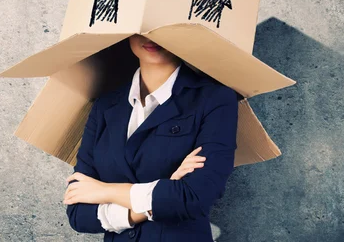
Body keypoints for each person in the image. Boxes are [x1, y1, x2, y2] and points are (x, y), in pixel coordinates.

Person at [63, 34, 239, 241]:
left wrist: (106, 191)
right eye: (142, 26)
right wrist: (163, 195)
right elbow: (79, 216)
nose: (151, 35)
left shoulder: (215, 99)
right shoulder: (105, 105)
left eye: (161, 27)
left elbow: (196, 198)